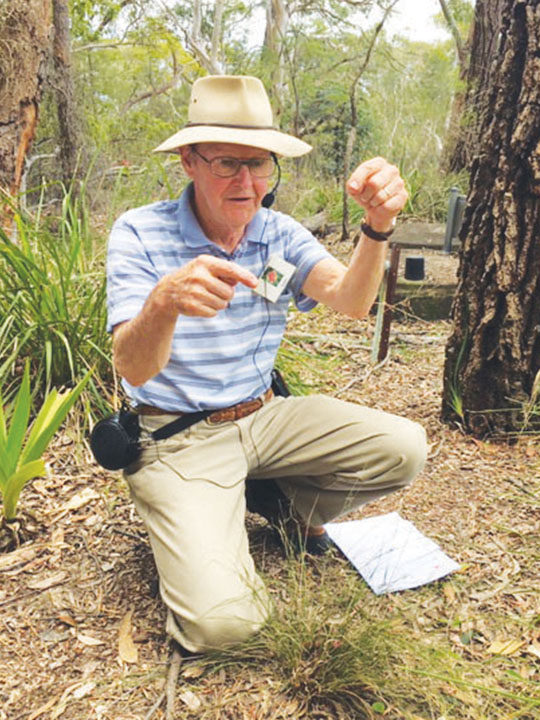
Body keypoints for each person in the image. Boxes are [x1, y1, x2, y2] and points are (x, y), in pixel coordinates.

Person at [107, 75, 428, 654]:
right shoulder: (140, 233)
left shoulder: (277, 235)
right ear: (189, 161)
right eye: (228, 163)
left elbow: (352, 303)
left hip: (263, 417)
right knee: (225, 627)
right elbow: (133, 369)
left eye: (259, 165)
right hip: (179, 434)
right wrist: (164, 302)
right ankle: (202, 520)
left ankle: (282, 508)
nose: (247, 182)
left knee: (404, 447)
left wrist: (377, 227)